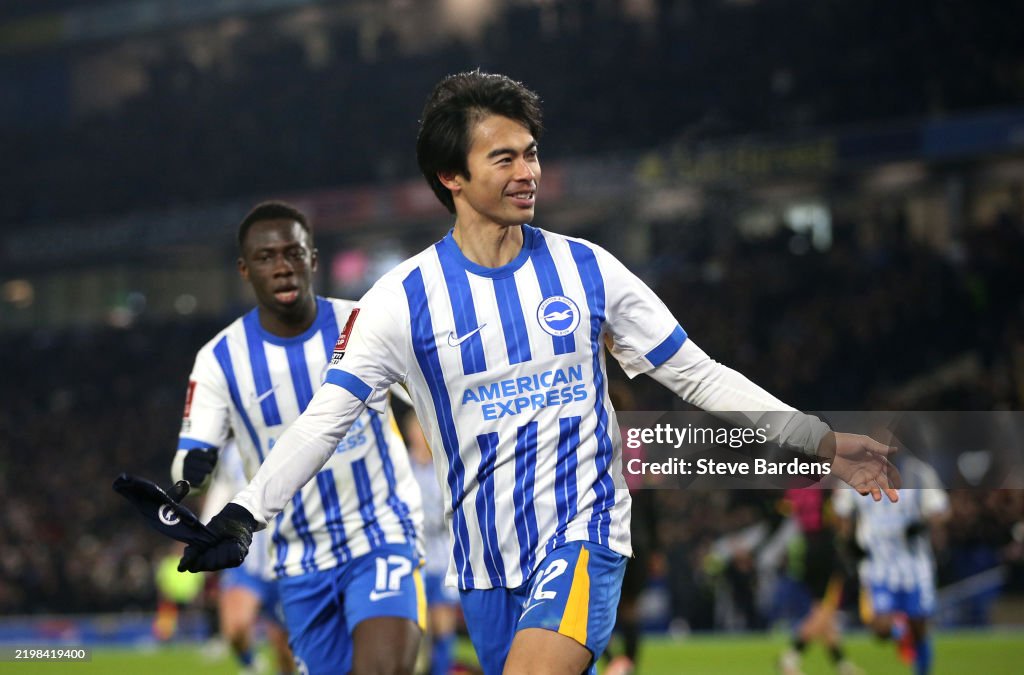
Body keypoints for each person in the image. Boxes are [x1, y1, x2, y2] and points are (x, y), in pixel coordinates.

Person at [179, 71, 899, 675]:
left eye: (531, 153)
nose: (528, 171)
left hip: (583, 534)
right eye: (504, 158)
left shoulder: (587, 269)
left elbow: (699, 374)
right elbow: (325, 418)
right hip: (486, 565)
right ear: (451, 175)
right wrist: (244, 514)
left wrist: (822, 442)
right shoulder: (400, 300)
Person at [171, 201, 424, 675]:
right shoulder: (219, 360)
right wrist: (192, 470)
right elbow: (189, 459)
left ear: (312, 259)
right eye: (266, 257)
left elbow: (436, 400)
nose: (282, 266)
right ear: (245, 270)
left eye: (293, 253)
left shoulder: (366, 324)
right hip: (296, 556)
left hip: (380, 534)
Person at [833, 455, 950, 675]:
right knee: (880, 628)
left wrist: (923, 524)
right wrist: (847, 544)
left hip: (914, 566)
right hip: (877, 565)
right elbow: (841, 513)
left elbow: (942, 511)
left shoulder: (918, 473)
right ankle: (900, 631)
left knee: (920, 628)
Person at [201, 441, 293, 675]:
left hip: (286, 565)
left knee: (285, 650)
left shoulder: (294, 438)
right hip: (246, 562)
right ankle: (251, 666)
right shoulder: (233, 452)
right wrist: (203, 534)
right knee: (235, 628)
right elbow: (222, 489)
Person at [777, 488, 862, 675]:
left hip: (806, 548)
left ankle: (842, 665)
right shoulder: (829, 488)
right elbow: (840, 515)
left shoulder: (796, 487)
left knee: (822, 611)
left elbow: (786, 509)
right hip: (827, 550)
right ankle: (791, 655)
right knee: (826, 610)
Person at [403, 410, 460, 675]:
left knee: (443, 624)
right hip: (414, 559)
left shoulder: (444, 465)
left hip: (443, 555)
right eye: (416, 429)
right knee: (416, 626)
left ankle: (442, 668)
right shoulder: (403, 468)